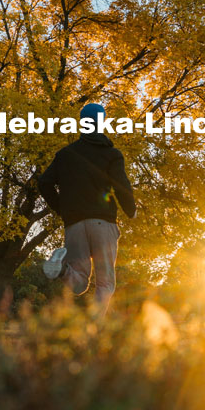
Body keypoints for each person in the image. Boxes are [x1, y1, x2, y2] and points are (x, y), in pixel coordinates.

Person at [38, 103, 136, 316]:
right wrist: (131, 209)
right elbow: (121, 185)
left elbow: (44, 182)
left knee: (79, 283)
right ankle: (95, 328)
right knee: (105, 283)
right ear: (102, 123)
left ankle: (62, 269)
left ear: (82, 123)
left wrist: (61, 209)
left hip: (74, 224)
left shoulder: (65, 154)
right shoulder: (111, 154)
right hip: (103, 223)